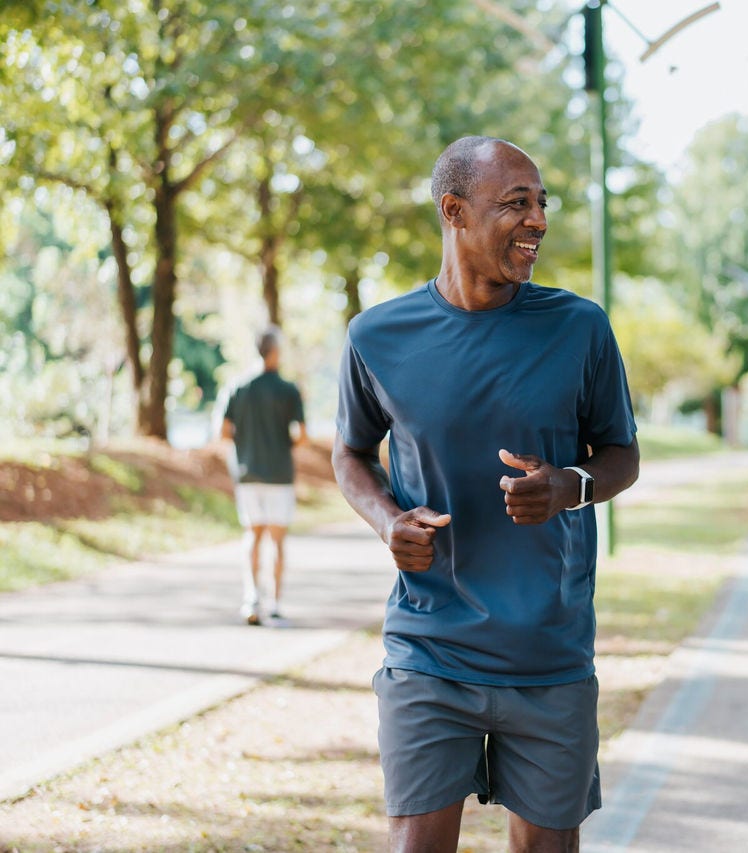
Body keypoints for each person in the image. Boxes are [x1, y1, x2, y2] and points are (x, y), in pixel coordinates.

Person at [331, 135, 640, 853]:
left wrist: (568, 486)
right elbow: (349, 452)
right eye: (516, 204)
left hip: (550, 654)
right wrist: (387, 521)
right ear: (454, 211)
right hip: (428, 651)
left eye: (542, 204)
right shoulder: (377, 335)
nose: (538, 221)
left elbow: (621, 456)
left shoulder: (580, 327)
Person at [221, 325, 308, 626]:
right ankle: (275, 605)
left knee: (252, 535)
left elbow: (223, 431)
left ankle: (251, 599)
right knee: (277, 541)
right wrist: (284, 443)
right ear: (275, 352)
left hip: (248, 474)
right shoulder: (288, 390)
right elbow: (301, 435)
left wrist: (246, 444)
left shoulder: (238, 387)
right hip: (279, 474)